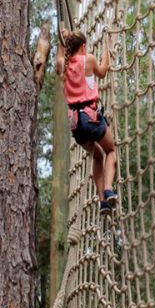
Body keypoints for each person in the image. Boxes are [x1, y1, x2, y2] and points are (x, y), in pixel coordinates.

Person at [55, 28, 118, 215]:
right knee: (110, 151)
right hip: (90, 116)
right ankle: (108, 189)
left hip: (75, 123)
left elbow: (60, 55)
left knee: (97, 156)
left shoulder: (61, 65)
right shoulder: (88, 60)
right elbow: (103, 71)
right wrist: (107, 46)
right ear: (83, 46)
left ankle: (102, 202)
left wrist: (62, 39)